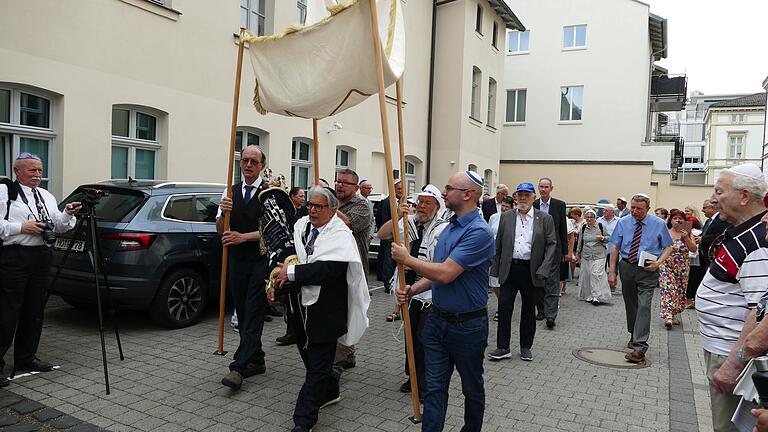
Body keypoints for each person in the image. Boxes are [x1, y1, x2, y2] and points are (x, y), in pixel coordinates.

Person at [391, 170, 495, 432]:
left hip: (467, 327)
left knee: (471, 387)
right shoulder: (449, 228)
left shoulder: (479, 232)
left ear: (467, 194)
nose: (444, 192)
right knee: (434, 388)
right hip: (437, 322)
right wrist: (414, 289)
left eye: (449, 188)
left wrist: (407, 260)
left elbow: (447, 274)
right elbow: (437, 271)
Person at [272, 186, 370, 432]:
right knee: (310, 359)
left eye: (319, 206)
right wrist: (277, 275)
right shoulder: (302, 226)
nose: (313, 210)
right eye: (310, 205)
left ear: (333, 209)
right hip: (301, 309)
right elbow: (291, 254)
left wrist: (292, 272)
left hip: (326, 311)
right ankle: (331, 389)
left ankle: (303, 421)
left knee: (316, 366)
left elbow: (328, 271)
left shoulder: (340, 234)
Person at [694, 164, 768, 432]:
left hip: (730, 355)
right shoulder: (745, 231)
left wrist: (732, 366)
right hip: (721, 347)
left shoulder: (759, 240)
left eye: (719, 192)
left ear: (745, 196)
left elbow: (759, 311)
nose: (713, 199)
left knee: (727, 428)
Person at [0, 153, 81, 386]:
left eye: (39, 170)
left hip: (42, 256)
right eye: (31, 170)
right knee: (7, 310)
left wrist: (68, 213)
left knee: (35, 310)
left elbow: (59, 225)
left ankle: (26, 358)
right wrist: (21, 227)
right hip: (14, 256)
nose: (37, 175)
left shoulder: (46, 195)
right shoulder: (4, 192)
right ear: (17, 171)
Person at [378, 184, 447, 395]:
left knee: (425, 338)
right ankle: (412, 377)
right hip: (409, 289)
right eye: (420, 202)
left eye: (428, 203)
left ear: (437, 206)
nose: (422, 207)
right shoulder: (410, 222)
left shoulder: (443, 229)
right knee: (410, 336)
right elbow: (382, 234)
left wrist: (411, 261)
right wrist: (398, 213)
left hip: (430, 293)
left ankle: (426, 383)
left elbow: (438, 264)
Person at [217, 145, 276, 390]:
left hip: (261, 260)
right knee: (242, 312)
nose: (248, 165)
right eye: (244, 160)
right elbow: (221, 230)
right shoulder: (229, 192)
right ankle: (257, 359)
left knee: (253, 310)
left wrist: (243, 237)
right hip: (237, 260)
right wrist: (223, 215)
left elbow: (272, 230)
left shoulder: (270, 193)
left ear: (262, 165)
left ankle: (238, 367)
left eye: (254, 161)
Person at [488, 182, 557, 362]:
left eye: (527, 195)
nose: (523, 198)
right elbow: (499, 245)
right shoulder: (507, 217)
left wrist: (544, 268)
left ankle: (526, 346)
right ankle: (503, 347)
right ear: (516, 197)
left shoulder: (544, 218)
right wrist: (495, 269)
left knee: (528, 309)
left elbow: (552, 245)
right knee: (504, 307)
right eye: (520, 195)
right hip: (509, 269)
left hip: (531, 270)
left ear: (534, 197)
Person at [608, 193, 673, 363]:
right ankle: (633, 333)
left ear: (648, 209)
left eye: (639, 209)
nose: (635, 211)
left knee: (644, 305)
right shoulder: (623, 222)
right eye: (633, 207)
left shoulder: (658, 224)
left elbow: (668, 247)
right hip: (627, 267)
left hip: (648, 270)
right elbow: (615, 247)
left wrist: (658, 263)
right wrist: (612, 272)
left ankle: (640, 346)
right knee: (631, 304)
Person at [334, 169, 372, 371]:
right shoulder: (332, 202)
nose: (340, 185)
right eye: (338, 181)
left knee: (349, 312)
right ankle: (346, 355)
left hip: (353, 267)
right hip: (332, 266)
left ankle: (339, 360)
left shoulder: (362, 206)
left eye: (345, 183)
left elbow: (348, 224)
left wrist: (329, 207)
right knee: (338, 311)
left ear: (356, 188)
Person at [533, 177, 568, 329]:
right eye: (541, 186)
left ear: (551, 188)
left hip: (554, 249)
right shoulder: (533, 205)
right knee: (538, 282)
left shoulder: (559, 205)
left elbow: (563, 229)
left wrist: (565, 252)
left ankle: (551, 316)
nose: (543, 189)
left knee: (553, 283)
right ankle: (541, 310)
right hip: (536, 250)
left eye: (546, 187)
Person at [687, 199, 730, 309]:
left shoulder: (721, 219)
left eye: (705, 208)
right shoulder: (709, 221)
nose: (702, 210)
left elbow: (721, 235)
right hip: (703, 256)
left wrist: (703, 239)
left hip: (713, 256)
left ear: (712, 208)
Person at [659, 209, 697, 328]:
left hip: (682, 267)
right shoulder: (666, 232)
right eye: (675, 218)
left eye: (680, 219)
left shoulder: (687, 233)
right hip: (666, 265)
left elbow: (694, 249)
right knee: (668, 289)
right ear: (671, 220)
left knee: (679, 292)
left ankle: (674, 314)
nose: (678, 221)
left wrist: (686, 238)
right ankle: (668, 316)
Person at [576, 208, 611, 305]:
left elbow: (608, 238)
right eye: (587, 217)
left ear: (595, 218)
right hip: (586, 255)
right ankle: (589, 295)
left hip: (599, 254)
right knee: (587, 275)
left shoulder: (600, 226)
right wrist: (578, 253)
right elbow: (580, 241)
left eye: (591, 217)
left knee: (596, 274)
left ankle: (597, 296)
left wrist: (603, 238)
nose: (589, 219)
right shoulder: (583, 228)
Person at [376, 179, 404, 296]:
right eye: (398, 189)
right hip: (389, 237)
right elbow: (382, 220)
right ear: (393, 189)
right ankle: (387, 284)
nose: (401, 191)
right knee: (388, 261)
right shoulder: (387, 202)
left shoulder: (404, 202)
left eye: (402, 189)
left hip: (399, 237)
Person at [488, 195, 514, 320]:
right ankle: (502, 303)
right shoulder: (494, 217)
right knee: (493, 282)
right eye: (502, 206)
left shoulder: (514, 219)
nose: (504, 208)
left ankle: (501, 308)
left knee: (502, 282)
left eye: (507, 207)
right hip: (493, 254)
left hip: (506, 255)